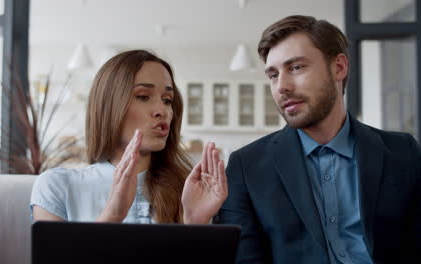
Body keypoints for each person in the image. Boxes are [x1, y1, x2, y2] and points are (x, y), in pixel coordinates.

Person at [217, 15, 420, 263]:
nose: (282, 86)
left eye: (296, 67)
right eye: (273, 75)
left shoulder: (403, 152)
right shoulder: (245, 167)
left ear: (339, 67)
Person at [31, 50, 227, 225]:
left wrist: (195, 224)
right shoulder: (57, 186)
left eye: (167, 100)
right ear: (108, 107)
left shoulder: (194, 191)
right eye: (143, 96)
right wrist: (112, 215)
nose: (163, 111)